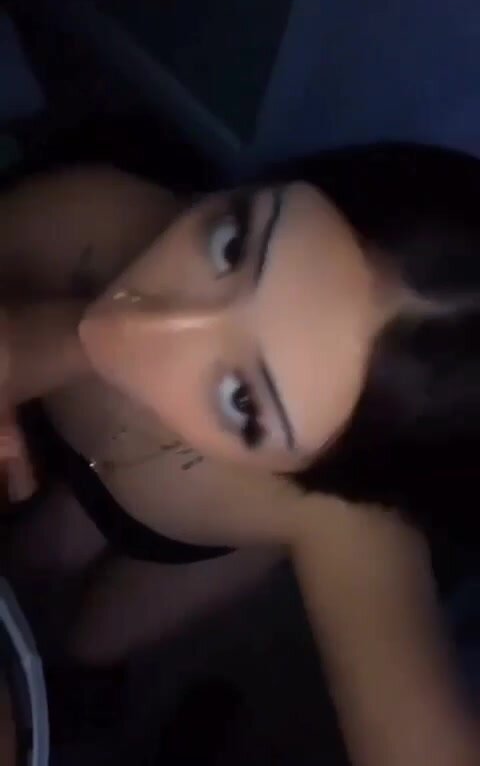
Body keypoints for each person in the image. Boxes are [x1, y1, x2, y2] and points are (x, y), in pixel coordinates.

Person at [1, 143, 479, 765]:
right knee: (33, 554)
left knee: (91, 640)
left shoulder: (346, 526)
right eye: (232, 246)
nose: (145, 326)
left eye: (245, 402)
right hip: (55, 446)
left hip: (170, 542)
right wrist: (52, 337)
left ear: (324, 479)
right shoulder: (89, 212)